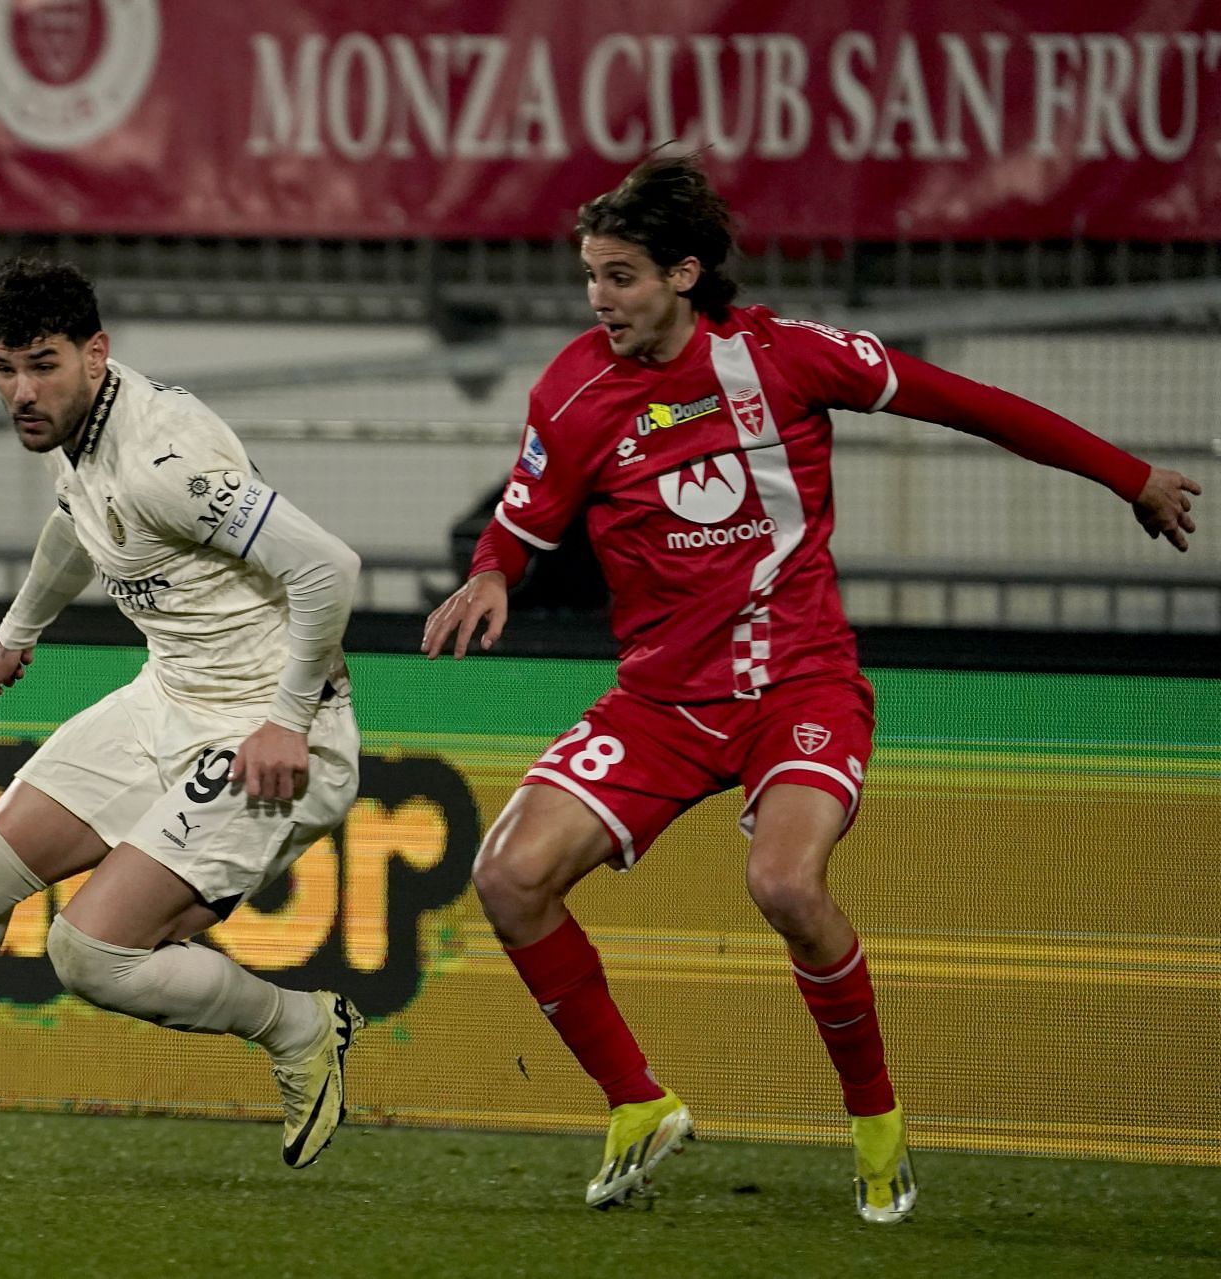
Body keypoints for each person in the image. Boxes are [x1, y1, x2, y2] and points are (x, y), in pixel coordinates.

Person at [421, 152, 1201, 1223]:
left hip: (801, 684)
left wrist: (1132, 476)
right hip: (660, 704)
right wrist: (488, 578)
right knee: (507, 878)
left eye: (621, 277)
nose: (598, 300)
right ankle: (638, 1104)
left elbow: (964, 402)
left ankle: (876, 1128)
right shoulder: (574, 392)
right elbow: (520, 525)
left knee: (785, 887)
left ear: (685, 273)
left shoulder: (788, 357)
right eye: (591, 278)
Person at [0, 258, 367, 1169]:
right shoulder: (85, 431)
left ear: (95, 352)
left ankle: (300, 1025)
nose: (21, 391)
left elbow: (329, 569)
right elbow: (78, 523)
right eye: (4, 367)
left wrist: (284, 717)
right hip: (172, 697)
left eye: (42, 364)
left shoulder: (165, 458)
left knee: (90, 953)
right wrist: (18, 629)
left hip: (272, 731)